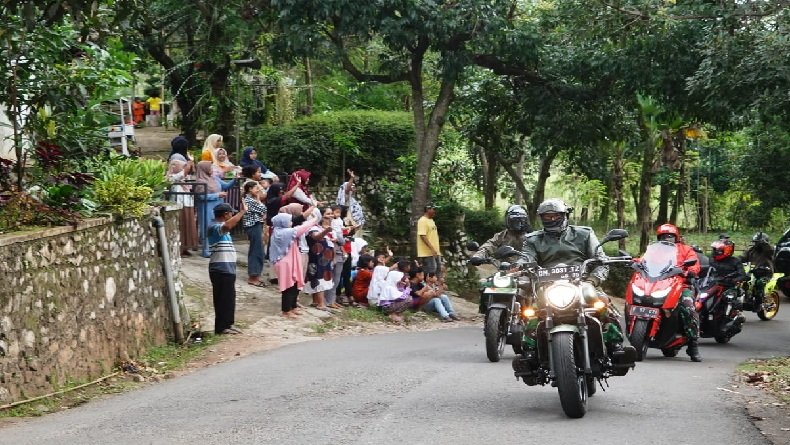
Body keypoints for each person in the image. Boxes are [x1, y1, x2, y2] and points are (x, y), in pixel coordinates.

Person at [521, 199, 630, 359]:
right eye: (547, 217)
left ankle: (615, 343)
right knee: (534, 311)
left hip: (582, 283)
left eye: (555, 216)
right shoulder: (533, 239)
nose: (551, 220)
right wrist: (520, 265)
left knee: (600, 302)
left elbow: (600, 260)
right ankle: (529, 350)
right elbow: (526, 259)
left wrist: (593, 280)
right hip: (548, 285)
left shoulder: (584, 234)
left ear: (565, 215)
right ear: (541, 218)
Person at [468, 204, 533, 312]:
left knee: (536, 290)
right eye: (514, 220)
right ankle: (488, 313)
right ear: (508, 220)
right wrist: (478, 256)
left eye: (520, 220)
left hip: (526, 272)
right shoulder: (501, 236)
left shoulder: (532, 237)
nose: (517, 223)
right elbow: (488, 246)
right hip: (505, 271)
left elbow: (541, 251)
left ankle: (535, 317)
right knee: (486, 284)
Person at [655, 223, 703, 362]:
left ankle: (693, 345)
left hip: (681, 286)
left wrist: (691, 271)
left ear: (676, 237)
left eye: (670, 236)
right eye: (664, 236)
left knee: (688, 308)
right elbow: (644, 259)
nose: (667, 239)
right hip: (658, 285)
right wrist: (636, 262)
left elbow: (695, 265)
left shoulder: (686, 250)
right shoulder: (655, 250)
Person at [207, 201, 246, 335]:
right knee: (223, 299)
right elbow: (228, 225)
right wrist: (242, 212)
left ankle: (228, 324)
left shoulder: (220, 227)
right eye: (230, 213)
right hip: (220, 269)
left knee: (228, 298)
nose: (231, 216)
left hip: (227, 269)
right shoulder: (215, 227)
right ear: (225, 214)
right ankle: (222, 327)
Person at [270, 212, 319, 318]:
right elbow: (302, 228)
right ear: (283, 222)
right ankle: (286, 310)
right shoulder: (283, 232)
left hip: (292, 260)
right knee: (288, 286)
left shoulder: (281, 230)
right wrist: (314, 219)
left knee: (295, 284)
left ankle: (292, 307)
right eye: (289, 221)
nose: (291, 222)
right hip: (285, 263)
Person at [166, 136, 198, 257]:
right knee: (182, 219)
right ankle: (180, 246)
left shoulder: (184, 157)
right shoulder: (176, 158)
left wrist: (191, 162)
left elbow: (191, 172)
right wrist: (188, 164)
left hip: (186, 191)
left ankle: (185, 246)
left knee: (188, 218)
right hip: (179, 191)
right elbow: (176, 176)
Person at [195, 161, 234, 254]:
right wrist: (217, 195)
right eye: (210, 167)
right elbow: (201, 196)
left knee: (219, 226)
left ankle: (218, 248)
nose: (212, 169)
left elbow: (226, 185)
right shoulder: (200, 181)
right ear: (204, 169)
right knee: (208, 227)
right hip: (207, 207)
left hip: (218, 205)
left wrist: (235, 179)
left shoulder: (215, 178)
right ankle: (206, 250)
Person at [304, 207, 337, 311]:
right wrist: (326, 231)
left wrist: (333, 257)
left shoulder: (318, 227)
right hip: (317, 258)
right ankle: (321, 303)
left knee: (318, 277)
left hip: (324, 259)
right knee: (318, 278)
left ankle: (315, 301)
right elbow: (315, 237)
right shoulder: (311, 227)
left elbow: (330, 244)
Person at [242, 180, 267, 288]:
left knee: (257, 249)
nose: (258, 190)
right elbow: (263, 208)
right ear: (250, 189)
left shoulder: (251, 199)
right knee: (257, 250)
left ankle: (255, 275)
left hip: (256, 225)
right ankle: (253, 276)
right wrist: (258, 198)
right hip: (253, 225)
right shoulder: (249, 200)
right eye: (256, 188)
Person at [740, 232, 774, 307]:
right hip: (753, 271)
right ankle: (745, 298)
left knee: (760, 283)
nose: (756, 244)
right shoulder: (751, 250)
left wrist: (764, 244)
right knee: (741, 281)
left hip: (765, 272)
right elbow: (743, 258)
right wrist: (736, 260)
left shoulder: (767, 251)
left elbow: (770, 250)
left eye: (757, 242)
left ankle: (759, 302)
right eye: (755, 242)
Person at [416, 203, 442, 278]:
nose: (435, 211)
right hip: (427, 252)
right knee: (431, 271)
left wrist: (436, 250)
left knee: (438, 270)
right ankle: (427, 288)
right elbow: (422, 236)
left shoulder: (431, 220)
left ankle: (436, 288)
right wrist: (432, 248)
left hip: (435, 251)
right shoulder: (422, 221)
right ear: (428, 209)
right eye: (434, 209)